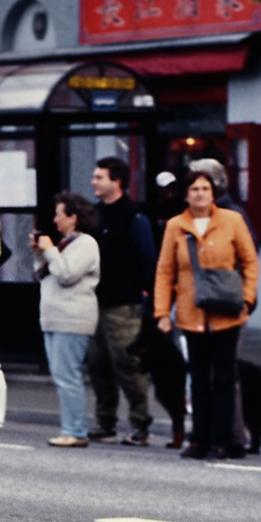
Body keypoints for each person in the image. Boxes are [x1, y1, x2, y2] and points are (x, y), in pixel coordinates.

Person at [154, 169, 259, 459]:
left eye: (205, 189)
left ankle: (223, 439)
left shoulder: (232, 220)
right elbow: (165, 271)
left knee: (224, 378)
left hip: (227, 312)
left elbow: (250, 261)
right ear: (186, 195)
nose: (200, 194)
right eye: (194, 189)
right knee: (198, 378)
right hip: (191, 312)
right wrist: (162, 312)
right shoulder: (176, 225)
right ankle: (199, 437)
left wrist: (248, 299)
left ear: (213, 194)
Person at [88, 156, 158, 445]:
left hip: (123, 304)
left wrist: (149, 296)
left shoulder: (133, 215)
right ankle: (106, 422)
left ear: (116, 181)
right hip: (94, 302)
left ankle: (140, 424)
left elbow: (148, 258)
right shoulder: (93, 215)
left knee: (127, 365)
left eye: (99, 177)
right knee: (97, 364)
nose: (94, 182)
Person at [35, 192, 102, 447]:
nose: (55, 220)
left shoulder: (86, 244)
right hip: (54, 317)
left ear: (73, 218)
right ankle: (71, 427)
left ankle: (75, 430)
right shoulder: (66, 244)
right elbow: (43, 275)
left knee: (68, 375)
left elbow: (66, 274)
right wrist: (41, 254)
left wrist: (50, 250)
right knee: (60, 374)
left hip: (73, 318)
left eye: (59, 215)